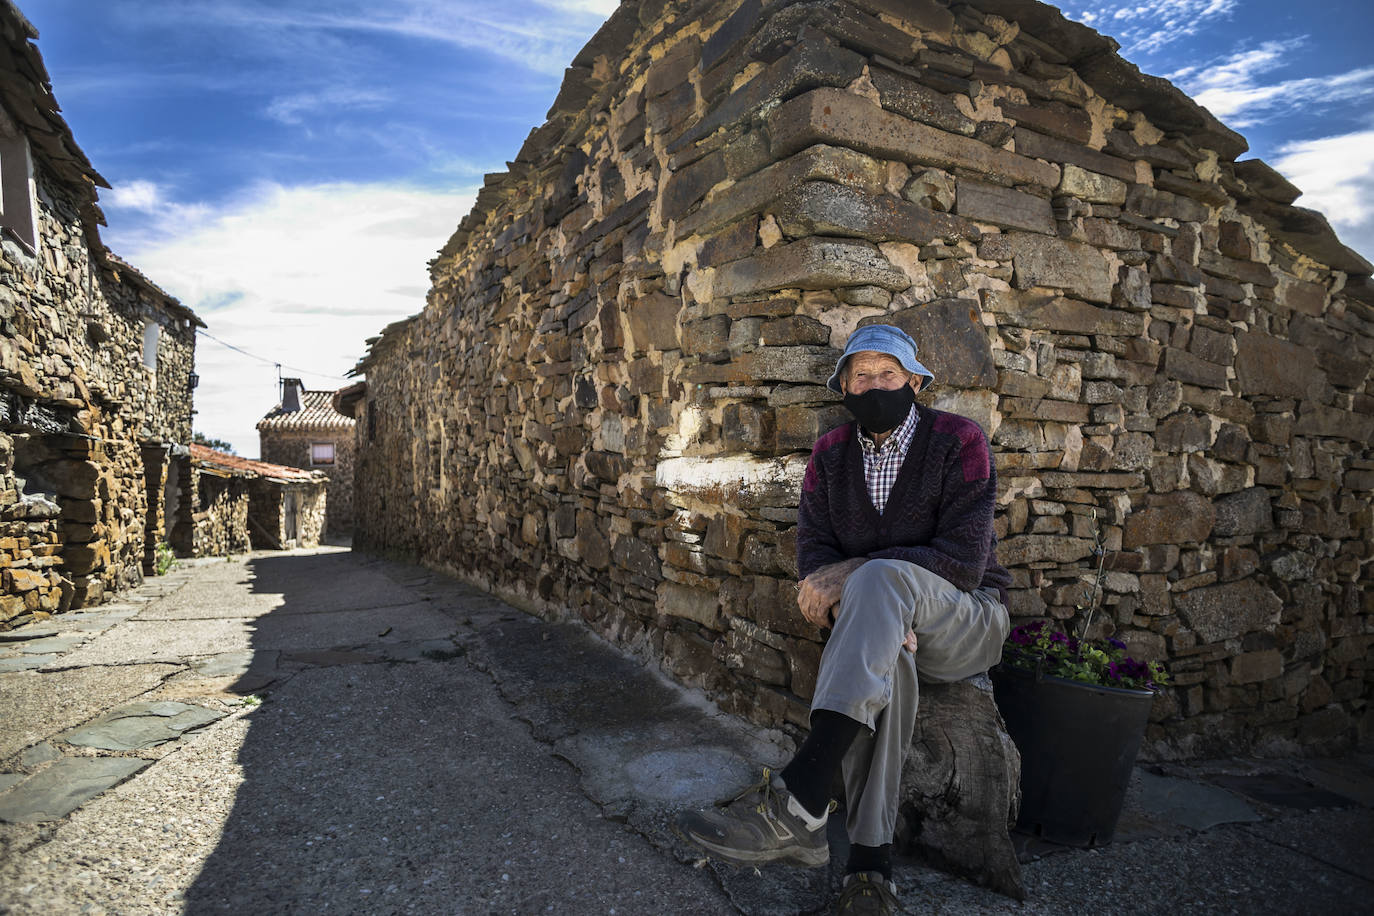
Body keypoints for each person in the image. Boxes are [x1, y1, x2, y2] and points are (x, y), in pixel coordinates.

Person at [676, 324, 1012, 915]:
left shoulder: (959, 440)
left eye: (889, 374)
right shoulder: (831, 456)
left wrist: (864, 575)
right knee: (889, 664)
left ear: (914, 380)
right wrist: (871, 607)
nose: (875, 384)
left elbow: (963, 562)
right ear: (844, 387)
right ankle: (869, 869)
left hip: (966, 619)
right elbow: (815, 561)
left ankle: (801, 796)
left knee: (879, 583)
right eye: (862, 375)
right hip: (889, 628)